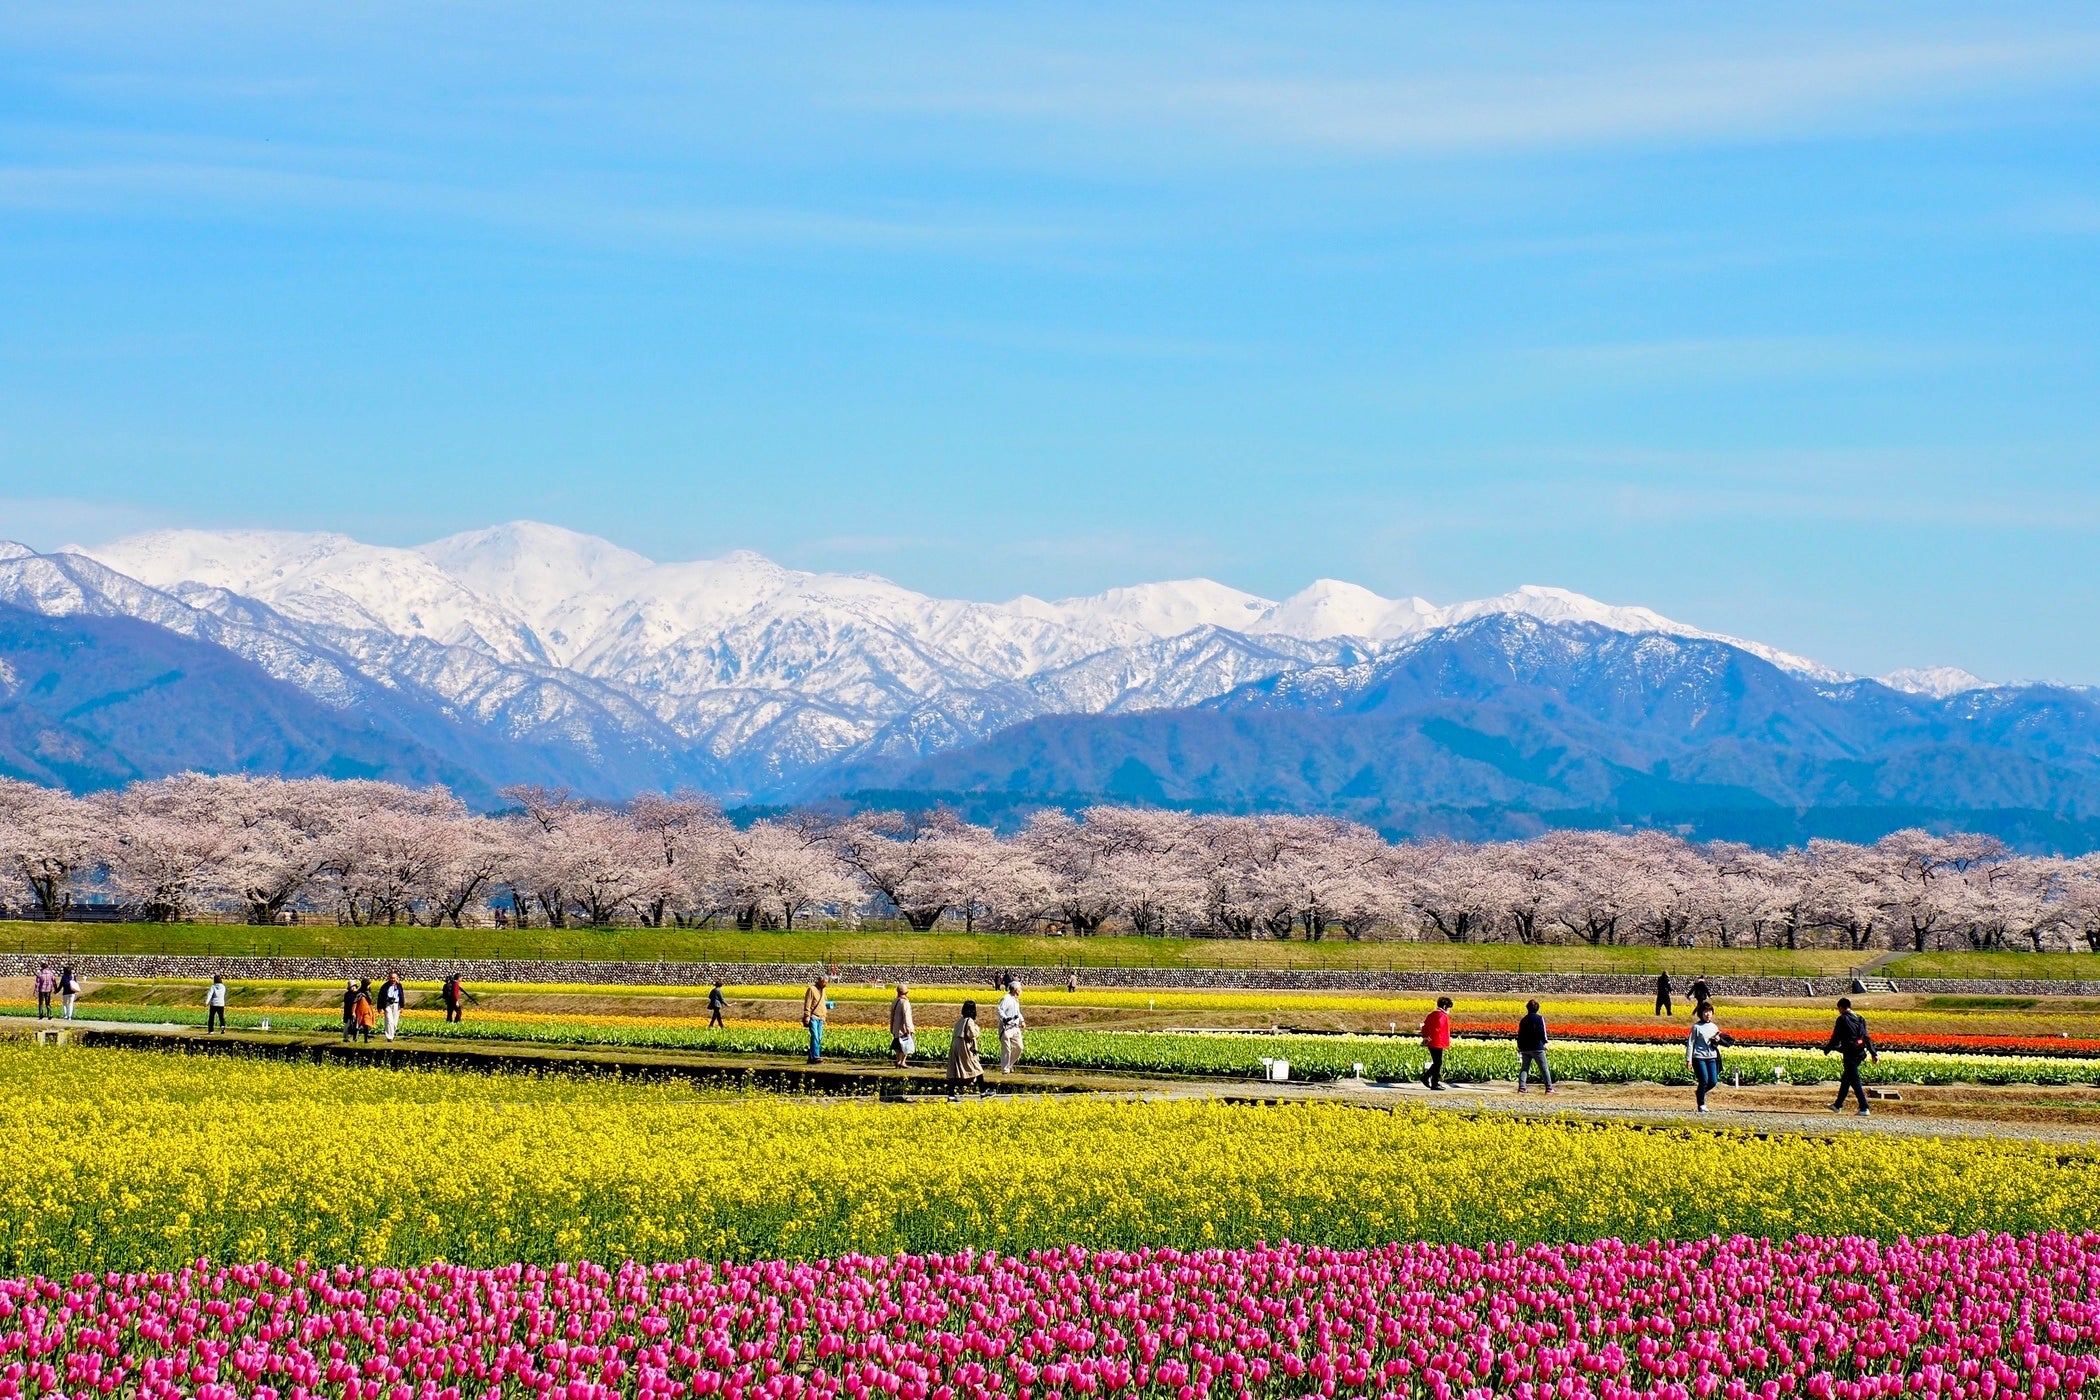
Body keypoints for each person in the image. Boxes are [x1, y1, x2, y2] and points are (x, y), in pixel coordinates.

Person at [1823, 996, 1880, 1115]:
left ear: (1841, 1007)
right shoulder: (1860, 1019)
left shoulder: (1842, 1019)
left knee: (1854, 1081)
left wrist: (1827, 1049)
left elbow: (1836, 1037)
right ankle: (1837, 1105)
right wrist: (1874, 1053)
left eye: (1839, 1009)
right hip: (1860, 1052)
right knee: (1846, 1079)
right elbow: (1866, 1038)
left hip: (1849, 1053)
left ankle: (1864, 1107)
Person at [1686, 1003, 1723, 1112]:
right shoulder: (1696, 1027)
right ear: (1701, 1013)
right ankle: (1701, 1104)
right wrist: (1689, 1059)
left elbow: (1716, 1043)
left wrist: (1717, 1040)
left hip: (1712, 1057)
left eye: (1710, 1012)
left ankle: (1700, 1093)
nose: (1708, 1014)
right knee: (1704, 1080)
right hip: (1699, 1057)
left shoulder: (1714, 1026)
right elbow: (1690, 1043)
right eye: (1705, 1012)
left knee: (1713, 1081)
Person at [946, 998, 984, 1094]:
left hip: (955, 1046)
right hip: (964, 1047)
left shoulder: (960, 1021)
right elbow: (972, 1034)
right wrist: (977, 1029)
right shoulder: (969, 1021)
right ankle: (983, 1091)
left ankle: (951, 1094)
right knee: (977, 1068)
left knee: (954, 1070)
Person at [1515, 998, 1552, 1094]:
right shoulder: (1539, 1018)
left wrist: (1519, 1046)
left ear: (1527, 1008)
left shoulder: (1523, 1020)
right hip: (1537, 1047)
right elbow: (1542, 1032)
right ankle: (1549, 1088)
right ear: (1537, 1008)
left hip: (1525, 1048)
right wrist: (1545, 1042)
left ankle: (1522, 1088)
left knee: (1524, 1068)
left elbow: (1520, 1034)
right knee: (1544, 1068)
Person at [1419, 996, 1452, 1091]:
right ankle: (1433, 1082)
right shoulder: (1442, 1016)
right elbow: (1438, 1029)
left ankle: (1429, 1079)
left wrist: (1426, 1037)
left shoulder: (1431, 1014)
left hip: (1431, 1041)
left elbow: (1425, 1026)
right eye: (1449, 1007)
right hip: (1438, 1041)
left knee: (1437, 1062)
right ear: (1445, 1006)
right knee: (1438, 1063)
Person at [996, 978, 1026, 1072]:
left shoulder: (1015, 1000)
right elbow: (1000, 1010)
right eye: (1020, 989)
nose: (1021, 991)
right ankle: (1005, 1069)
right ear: (1016, 990)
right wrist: (1004, 1018)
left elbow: (1018, 1012)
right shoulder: (1006, 998)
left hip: (1015, 1027)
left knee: (1019, 1047)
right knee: (1006, 1048)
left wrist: (1022, 1021)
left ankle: (1009, 1065)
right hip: (1006, 1027)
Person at [802, 975, 829, 1063]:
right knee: (815, 1036)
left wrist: (824, 1016)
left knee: (819, 1037)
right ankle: (816, 1056)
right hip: (813, 1016)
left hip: (821, 1017)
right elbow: (807, 1003)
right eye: (824, 982)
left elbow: (824, 1003)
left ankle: (811, 1057)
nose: (826, 984)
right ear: (820, 981)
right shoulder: (811, 989)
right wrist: (807, 1016)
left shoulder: (823, 990)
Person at [889, 984, 916, 1067]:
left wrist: (891, 1027)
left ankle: (898, 1061)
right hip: (903, 1028)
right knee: (905, 1045)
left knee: (898, 1045)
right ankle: (902, 1062)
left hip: (896, 1027)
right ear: (906, 992)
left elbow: (892, 1016)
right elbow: (907, 1016)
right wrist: (909, 1028)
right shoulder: (905, 1002)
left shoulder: (895, 1001)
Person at [379, 972, 405, 1041]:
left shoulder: (399, 986)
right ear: (389, 978)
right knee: (389, 1020)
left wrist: (402, 1006)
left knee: (394, 1022)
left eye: (394, 978)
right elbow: (380, 996)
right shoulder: (385, 986)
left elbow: (402, 996)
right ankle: (389, 1037)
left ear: (397, 978)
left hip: (396, 1005)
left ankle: (392, 1034)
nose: (393, 980)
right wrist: (380, 1007)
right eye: (391, 978)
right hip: (387, 1005)